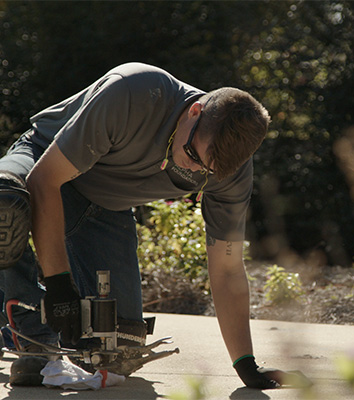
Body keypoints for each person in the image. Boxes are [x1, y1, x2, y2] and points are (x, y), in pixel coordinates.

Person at [0, 62, 288, 388]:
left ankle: (46, 332)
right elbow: (44, 179)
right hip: (42, 161)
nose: (194, 169)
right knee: (4, 200)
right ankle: (31, 335)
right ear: (194, 112)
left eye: (208, 172)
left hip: (103, 208)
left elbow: (227, 268)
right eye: (193, 154)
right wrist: (58, 285)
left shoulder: (230, 171)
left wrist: (245, 365)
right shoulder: (134, 93)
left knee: (120, 350)